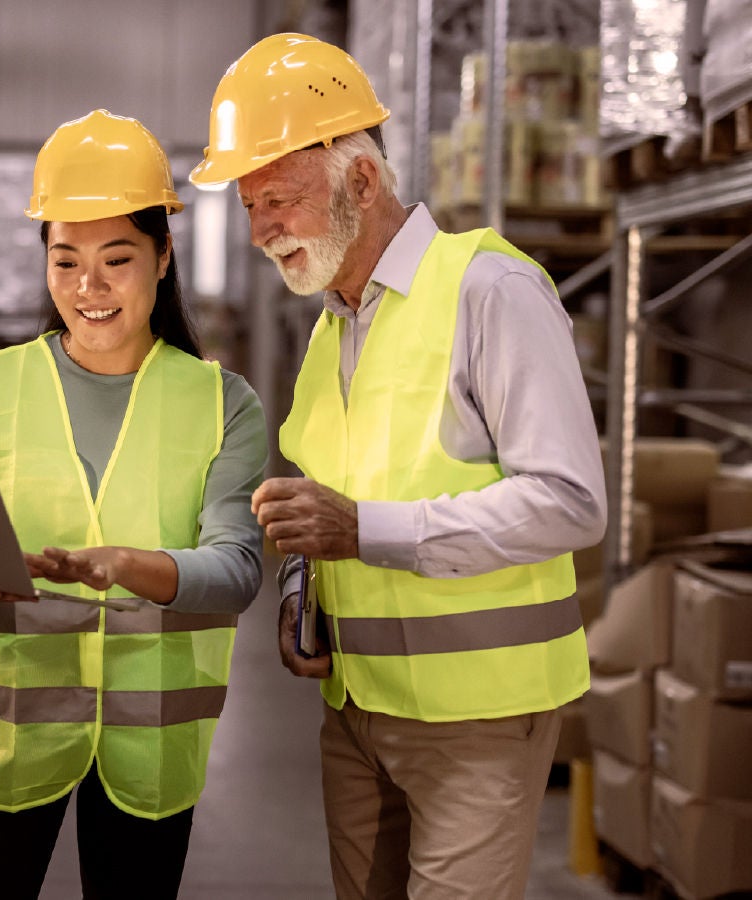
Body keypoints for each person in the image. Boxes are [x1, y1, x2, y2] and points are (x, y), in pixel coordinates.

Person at [190, 34, 606, 899]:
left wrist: (363, 530)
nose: (262, 230)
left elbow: (570, 502)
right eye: (248, 206)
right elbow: (325, 505)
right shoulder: (330, 328)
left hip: (480, 719)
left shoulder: (490, 292)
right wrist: (303, 593)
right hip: (356, 712)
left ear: (362, 183)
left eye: (279, 200)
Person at [0, 109, 267, 900]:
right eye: (65, 262)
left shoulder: (222, 404)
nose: (88, 288)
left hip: (150, 751)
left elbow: (237, 570)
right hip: (5, 741)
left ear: (164, 257)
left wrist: (125, 565)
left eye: (116, 259)